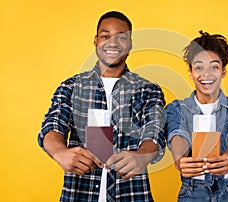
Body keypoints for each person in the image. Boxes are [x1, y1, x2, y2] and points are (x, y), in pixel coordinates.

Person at [38, 11, 166, 202]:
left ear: (130, 45)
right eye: (106, 36)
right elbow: (53, 125)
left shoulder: (148, 90)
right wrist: (60, 153)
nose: (113, 43)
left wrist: (142, 156)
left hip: (131, 195)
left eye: (121, 37)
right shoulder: (71, 87)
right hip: (80, 194)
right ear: (96, 41)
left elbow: (155, 131)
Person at [165, 30, 228, 201]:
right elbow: (178, 135)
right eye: (199, 67)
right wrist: (180, 159)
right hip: (192, 191)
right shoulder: (176, 108)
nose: (206, 74)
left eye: (214, 66)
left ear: (223, 71)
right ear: (191, 72)